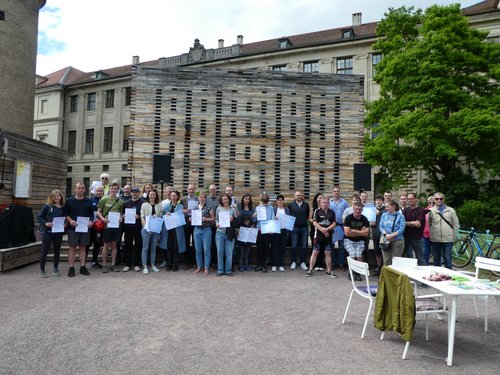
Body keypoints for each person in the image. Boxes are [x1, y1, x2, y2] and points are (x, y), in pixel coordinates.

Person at [63, 182, 94, 277]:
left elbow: (91, 214)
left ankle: (83, 267)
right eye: (79, 188)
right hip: (72, 227)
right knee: (72, 247)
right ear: (75, 189)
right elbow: (65, 213)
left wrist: (91, 222)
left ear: (85, 189)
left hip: (84, 227)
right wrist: (70, 220)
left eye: (82, 188)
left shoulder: (88, 201)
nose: (81, 189)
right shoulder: (69, 201)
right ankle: (71, 268)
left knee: (83, 247)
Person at [37, 190, 65, 278]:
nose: (57, 198)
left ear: (61, 197)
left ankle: (55, 269)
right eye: (55, 196)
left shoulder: (63, 207)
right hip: (48, 231)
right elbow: (39, 217)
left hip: (58, 232)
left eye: (58, 196)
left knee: (57, 250)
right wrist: (45, 223)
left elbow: (64, 218)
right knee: (45, 250)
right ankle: (42, 270)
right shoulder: (47, 206)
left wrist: (65, 224)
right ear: (52, 197)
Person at [97, 182, 124, 273]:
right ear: (109, 189)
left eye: (115, 189)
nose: (113, 190)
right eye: (112, 189)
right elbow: (98, 212)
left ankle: (113, 265)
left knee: (114, 246)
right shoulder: (104, 199)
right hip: (106, 226)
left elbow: (120, 214)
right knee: (105, 245)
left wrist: (120, 218)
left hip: (116, 226)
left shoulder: (120, 201)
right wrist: (103, 219)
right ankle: (104, 265)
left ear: (118, 190)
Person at [306, 197, 337, 277]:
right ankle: (310, 270)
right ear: (320, 203)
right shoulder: (317, 211)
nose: (324, 204)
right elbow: (314, 223)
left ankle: (329, 271)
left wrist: (327, 229)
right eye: (323, 202)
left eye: (326, 203)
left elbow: (334, 223)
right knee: (315, 252)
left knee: (328, 253)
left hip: (328, 236)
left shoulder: (332, 212)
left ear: (328, 203)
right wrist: (322, 230)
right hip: (318, 236)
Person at [428, 192, 459, 270]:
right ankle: (437, 277)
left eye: (441, 198)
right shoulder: (431, 211)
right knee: (436, 260)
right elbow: (429, 224)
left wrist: (454, 238)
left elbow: (455, 225)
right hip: (435, 239)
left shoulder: (451, 210)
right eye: (437, 199)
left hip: (448, 239)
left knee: (447, 259)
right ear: (434, 200)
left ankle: (448, 277)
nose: (439, 200)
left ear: (444, 199)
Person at [159, 190, 186, 271]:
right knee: (168, 247)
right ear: (170, 197)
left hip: (177, 230)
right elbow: (161, 217)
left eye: (175, 196)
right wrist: (165, 215)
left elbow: (183, 218)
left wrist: (184, 213)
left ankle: (175, 264)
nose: (173, 197)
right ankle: (169, 264)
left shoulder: (180, 206)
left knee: (176, 247)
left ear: (177, 197)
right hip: (168, 230)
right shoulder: (166, 206)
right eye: (172, 196)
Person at [344, 202, 370, 281]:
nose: (358, 211)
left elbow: (366, 233)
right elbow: (347, 233)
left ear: (362, 210)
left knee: (358, 255)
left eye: (360, 209)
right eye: (356, 209)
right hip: (348, 240)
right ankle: (351, 272)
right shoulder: (348, 218)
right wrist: (360, 233)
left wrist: (354, 230)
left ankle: (358, 273)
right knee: (352, 254)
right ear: (353, 209)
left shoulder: (364, 219)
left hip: (360, 241)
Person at [140, 189, 163, 274]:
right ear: (148, 196)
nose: (152, 196)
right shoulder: (144, 205)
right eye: (150, 195)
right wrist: (146, 227)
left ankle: (152, 265)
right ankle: (145, 266)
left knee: (153, 248)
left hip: (156, 230)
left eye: (154, 195)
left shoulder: (159, 206)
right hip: (146, 229)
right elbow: (142, 217)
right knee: (145, 248)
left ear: (156, 196)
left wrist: (158, 216)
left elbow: (161, 217)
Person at [215, 193, 238, 276]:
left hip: (230, 233)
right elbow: (216, 219)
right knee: (220, 252)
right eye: (223, 199)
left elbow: (236, 223)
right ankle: (220, 270)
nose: (225, 201)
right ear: (221, 201)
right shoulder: (218, 209)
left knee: (229, 253)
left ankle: (228, 270)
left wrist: (233, 219)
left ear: (229, 199)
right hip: (220, 232)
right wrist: (217, 223)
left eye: (226, 199)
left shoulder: (233, 210)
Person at [122, 187, 144, 272]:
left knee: (138, 245)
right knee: (128, 245)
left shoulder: (142, 203)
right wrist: (123, 216)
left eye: (136, 192)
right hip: (128, 228)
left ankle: (136, 264)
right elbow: (123, 214)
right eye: (133, 192)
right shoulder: (126, 203)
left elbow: (144, 215)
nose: (134, 193)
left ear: (139, 193)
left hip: (138, 227)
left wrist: (139, 217)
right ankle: (127, 264)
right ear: (131, 193)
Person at [192, 192, 214, 275]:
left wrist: (206, 219)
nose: (201, 199)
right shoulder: (195, 208)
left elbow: (213, 218)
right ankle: (199, 266)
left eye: (202, 197)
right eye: (200, 197)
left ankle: (206, 267)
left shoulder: (209, 207)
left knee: (206, 250)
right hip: (197, 230)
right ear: (198, 198)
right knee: (198, 250)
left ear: (205, 198)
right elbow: (193, 218)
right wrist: (191, 219)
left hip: (206, 230)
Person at [379, 199, 406, 266]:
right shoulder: (384, 215)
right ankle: (386, 276)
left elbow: (401, 228)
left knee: (396, 261)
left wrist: (391, 235)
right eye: (385, 207)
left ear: (393, 206)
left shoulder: (400, 216)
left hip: (397, 240)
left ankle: (394, 276)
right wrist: (385, 234)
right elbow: (380, 226)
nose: (386, 208)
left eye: (388, 207)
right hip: (385, 239)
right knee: (386, 260)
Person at [288, 190, 309, 271]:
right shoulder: (291, 205)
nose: (298, 197)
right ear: (294, 196)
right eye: (297, 195)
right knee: (294, 245)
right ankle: (293, 262)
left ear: (302, 196)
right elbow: (289, 216)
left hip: (304, 228)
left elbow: (307, 215)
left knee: (303, 246)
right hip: (294, 228)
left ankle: (303, 262)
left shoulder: (306, 205)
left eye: (300, 195)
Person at [402, 192, 426, 266]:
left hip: (417, 238)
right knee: (402, 257)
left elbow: (418, 224)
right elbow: (401, 222)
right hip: (405, 237)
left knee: (420, 259)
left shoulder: (421, 210)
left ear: (416, 199)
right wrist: (412, 223)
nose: (410, 200)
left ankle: (422, 276)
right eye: (408, 199)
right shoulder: (405, 210)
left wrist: (407, 223)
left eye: (412, 198)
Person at [329, 186, 349, 271]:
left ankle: (341, 263)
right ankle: (333, 263)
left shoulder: (344, 202)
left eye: (337, 191)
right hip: (332, 225)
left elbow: (347, 214)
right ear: (332, 192)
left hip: (341, 226)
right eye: (335, 191)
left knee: (341, 246)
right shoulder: (329, 202)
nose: (336, 193)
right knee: (332, 246)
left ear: (339, 192)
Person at [255, 193, 275, 273]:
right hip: (259, 230)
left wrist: (271, 229)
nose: (265, 204)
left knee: (266, 248)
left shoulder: (271, 208)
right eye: (264, 202)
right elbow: (256, 220)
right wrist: (254, 215)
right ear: (261, 201)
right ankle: (259, 264)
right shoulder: (258, 208)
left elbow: (272, 218)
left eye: (266, 202)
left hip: (267, 230)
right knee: (259, 248)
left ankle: (264, 265)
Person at [181, 183, 198, 270]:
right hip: (186, 222)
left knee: (195, 243)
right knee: (186, 242)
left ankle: (195, 262)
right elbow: (179, 209)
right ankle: (186, 262)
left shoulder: (198, 199)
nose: (191, 191)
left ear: (195, 190)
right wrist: (185, 210)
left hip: (195, 222)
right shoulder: (183, 199)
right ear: (187, 190)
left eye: (192, 189)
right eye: (190, 189)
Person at [272, 194, 290, 272]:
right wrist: (274, 219)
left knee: (282, 248)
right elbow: (270, 219)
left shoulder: (287, 209)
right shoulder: (274, 209)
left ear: (283, 201)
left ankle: (281, 264)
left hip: (283, 230)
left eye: (281, 200)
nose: (279, 201)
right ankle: (274, 264)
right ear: (276, 201)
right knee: (275, 248)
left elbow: (289, 220)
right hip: (275, 230)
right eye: (278, 200)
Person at [238, 193, 255, 271]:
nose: (247, 200)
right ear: (243, 199)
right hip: (242, 231)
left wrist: (252, 225)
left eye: (248, 199)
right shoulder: (240, 208)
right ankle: (241, 266)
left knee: (248, 250)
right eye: (245, 199)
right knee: (241, 250)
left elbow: (255, 220)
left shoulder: (253, 209)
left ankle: (246, 265)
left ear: (250, 200)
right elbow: (238, 219)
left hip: (250, 230)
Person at [89, 185, 104, 268]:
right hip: (91, 225)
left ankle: (94, 261)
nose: (99, 192)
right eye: (97, 191)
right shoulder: (90, 200)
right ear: (95, 191)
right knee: (88, 243)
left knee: (97, 244)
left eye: (100, 191)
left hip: (101, 226)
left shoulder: (104, 200)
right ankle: (83, 262)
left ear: (103, 192)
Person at [370, 194, 385, 276]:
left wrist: (380, 214)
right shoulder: (372, 210)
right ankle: (378, 267)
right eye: (377, 200)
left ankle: (384, 268)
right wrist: (371, 223)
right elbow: (371, 222)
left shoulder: (386, 210)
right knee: (377, 252)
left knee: (384, 251)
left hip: (384, 235)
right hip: (375, 234)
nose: (378, 201)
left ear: (382, 201)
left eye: (380, 200)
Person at [310, 193, 325, 271]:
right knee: (315, 248)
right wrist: (317, 221)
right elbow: (310, 219)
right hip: (314, 230)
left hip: (323, 229)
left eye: (321, 198)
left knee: (322, 247)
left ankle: (320, 264)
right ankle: (315, 264)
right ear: (316, 199)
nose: (320, 199)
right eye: (319, 198)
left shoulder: (325, 208)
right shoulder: (313, 208)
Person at [206, 184, 220, 269]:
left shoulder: (219, 200)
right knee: (208, 244)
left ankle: (215, 262)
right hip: (208, 225)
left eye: (213, 189)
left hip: (217, 226)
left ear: (216, 190)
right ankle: (209, 262)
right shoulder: (206, 199)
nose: (212, 191)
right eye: (210, 190)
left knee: (215, 245)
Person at [423, 196, 435, 265]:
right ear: (428, 202)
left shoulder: (437, 211)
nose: (432, 204)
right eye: (430, 202)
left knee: (435, 253)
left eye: (433, 202)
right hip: (425, 235)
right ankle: (425, 266)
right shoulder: (424, 210)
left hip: (435, 235)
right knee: (425, 252)